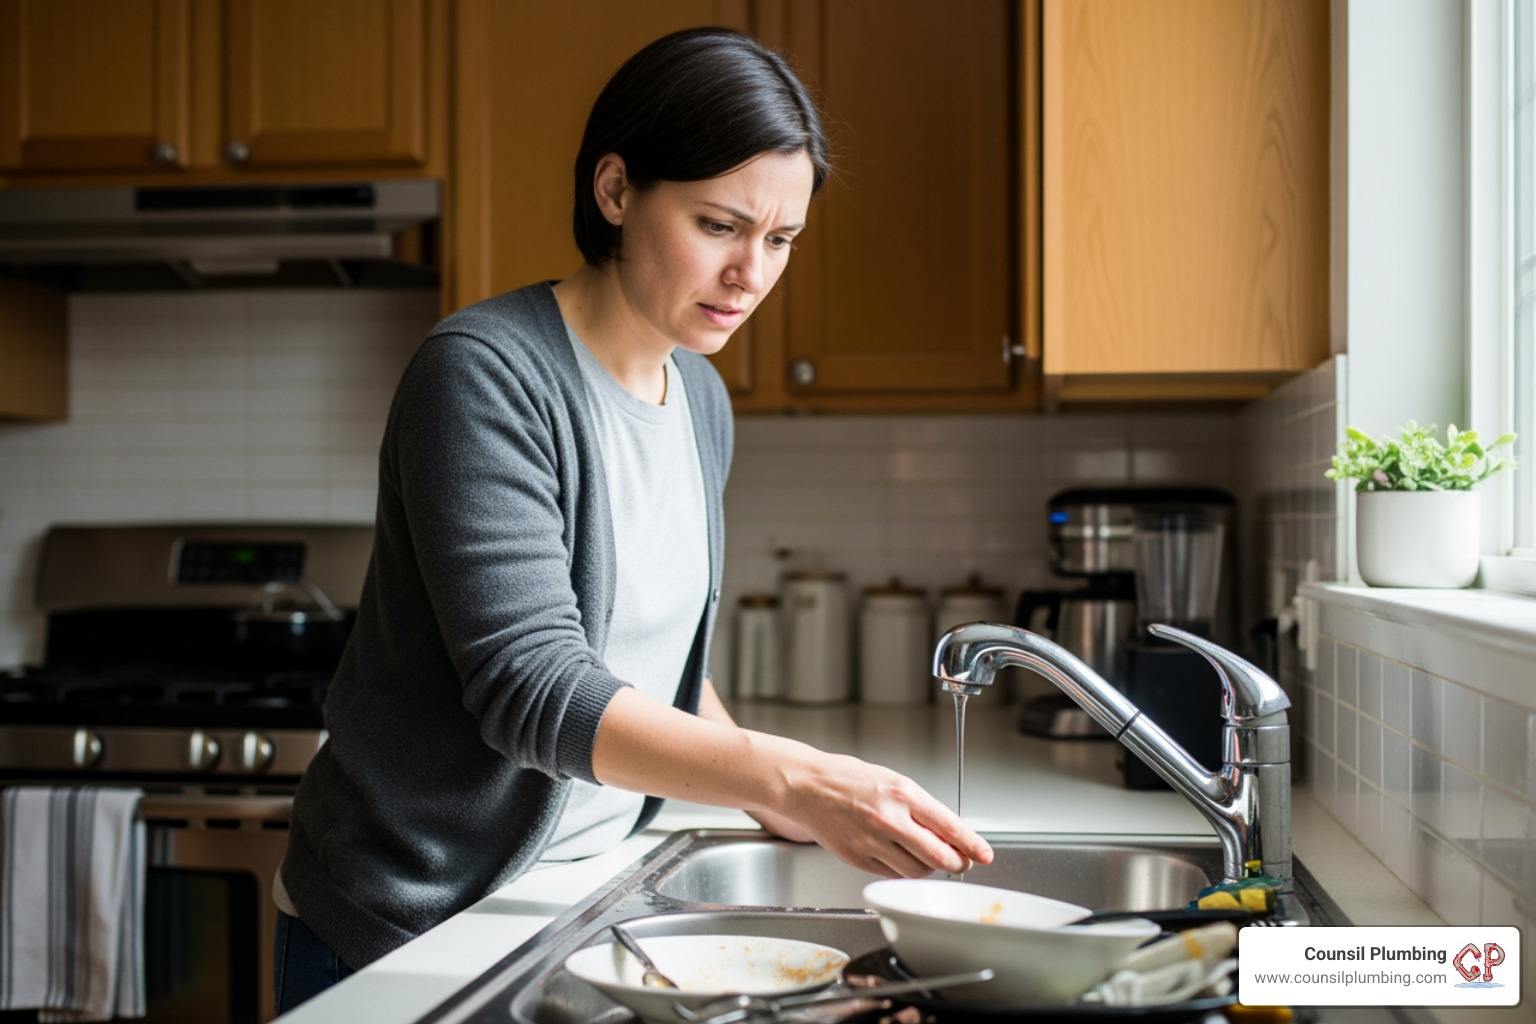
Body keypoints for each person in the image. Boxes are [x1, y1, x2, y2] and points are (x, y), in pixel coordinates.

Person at [271, 26, 992, 1013]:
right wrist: (792, 777)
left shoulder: (699, 399)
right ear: (615, 192)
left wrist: (777, 796)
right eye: (719, 224)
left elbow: (655, 673)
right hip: (415, 922)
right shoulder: (484, 374)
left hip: (575, 894)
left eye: (780, 239)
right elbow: (535, 688)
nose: (752, 273)